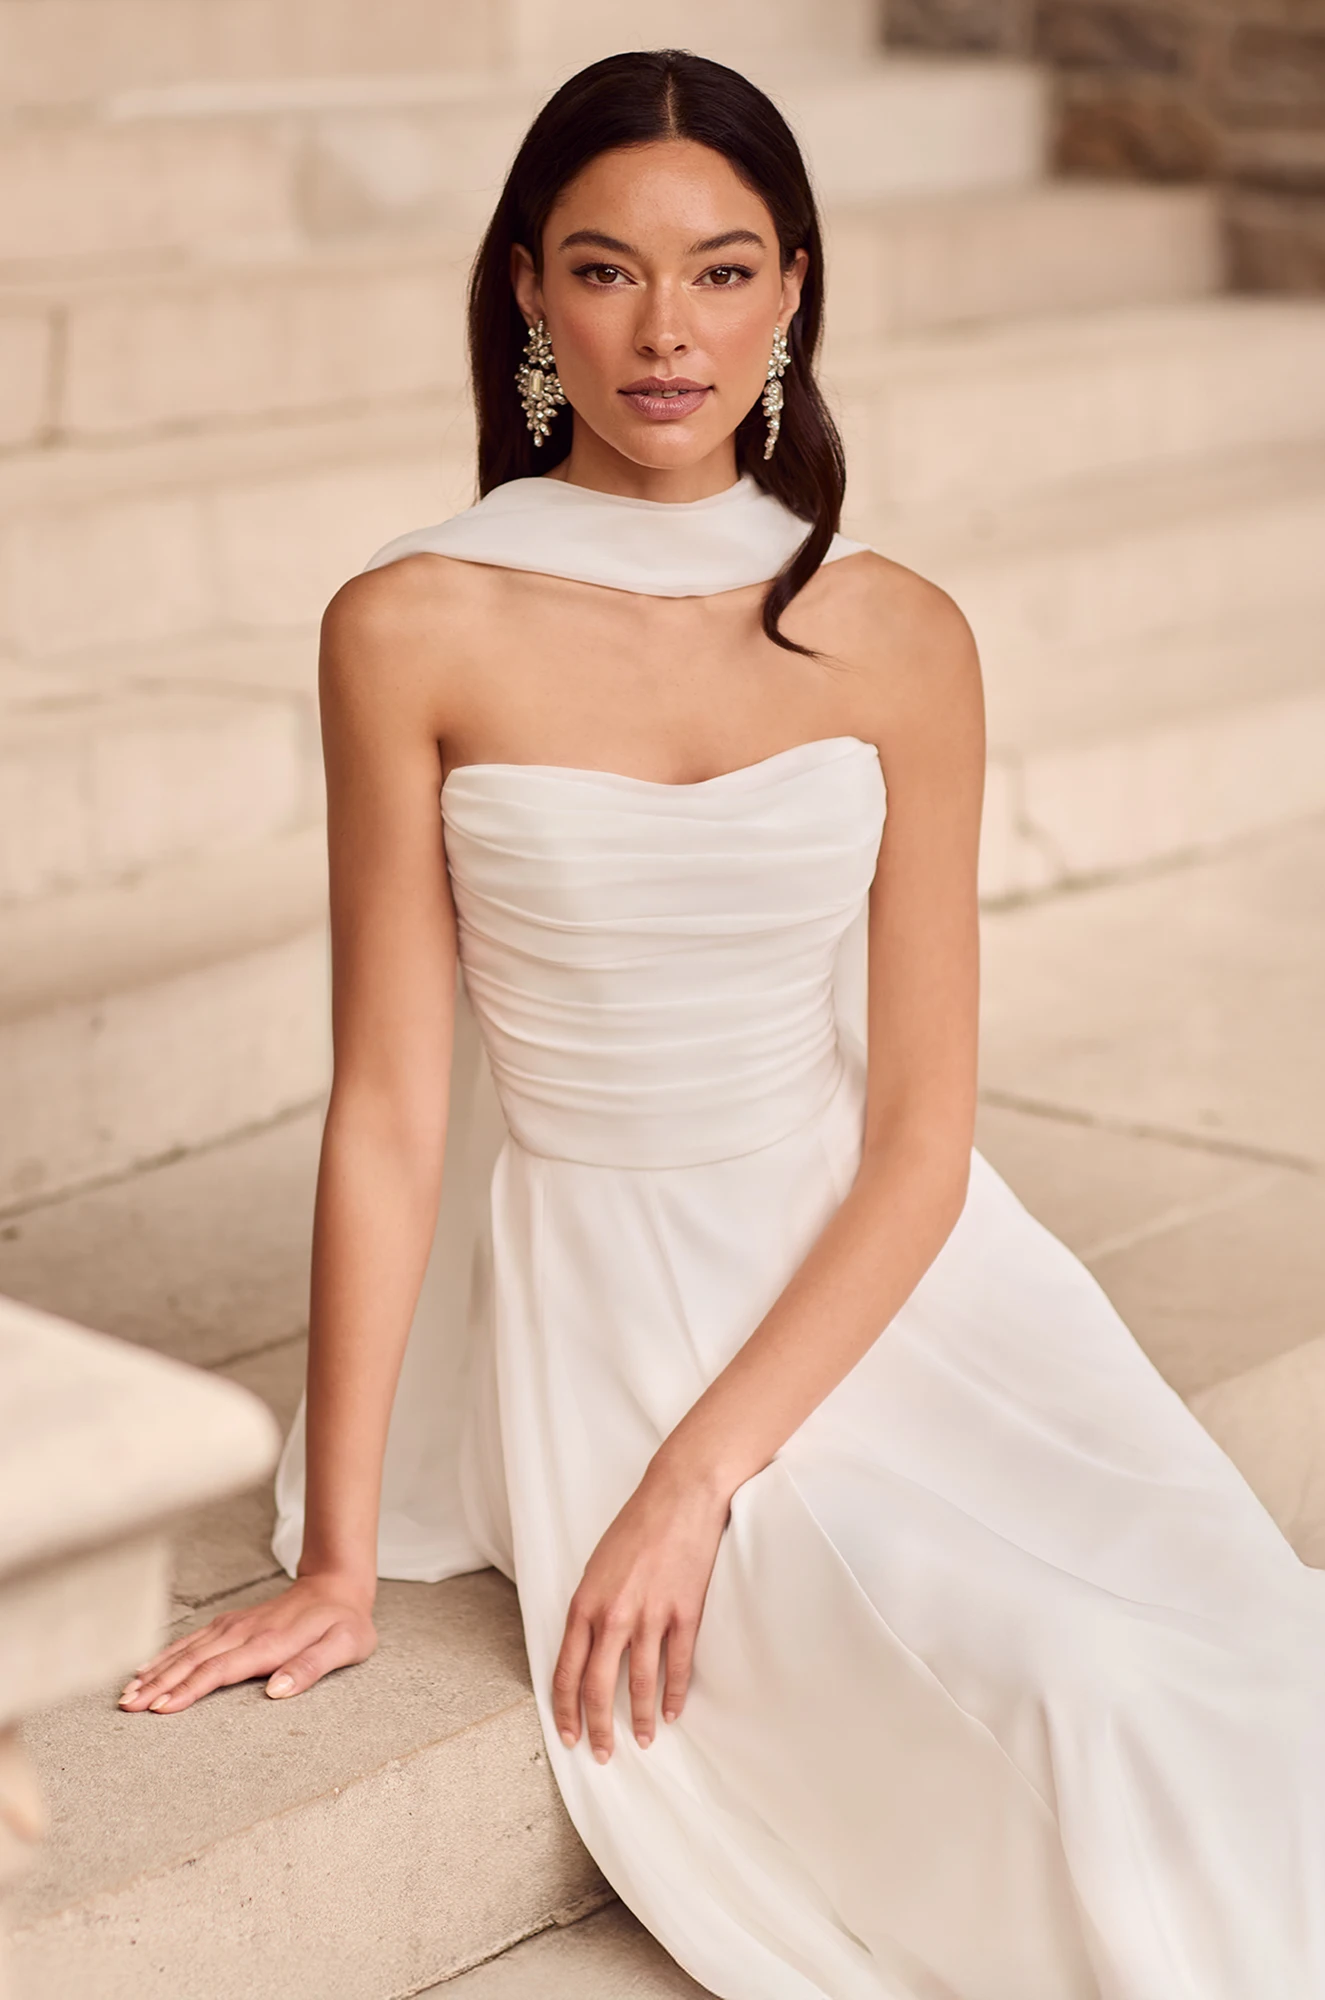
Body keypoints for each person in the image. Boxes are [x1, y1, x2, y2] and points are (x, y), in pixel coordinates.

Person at [119, 48, 1325, 2000]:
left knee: (1215, 1656)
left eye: (719, 270)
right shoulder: (412, 623)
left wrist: (703, 1480)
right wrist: (334, 1552)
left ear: (790, 292)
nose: (662, 332)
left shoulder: (897, 631)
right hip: (604, 1304)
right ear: (527, 290)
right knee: (1071, 1692)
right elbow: (390, 1114)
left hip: (891, 1275)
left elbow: (923, 1131)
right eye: (603, 272)